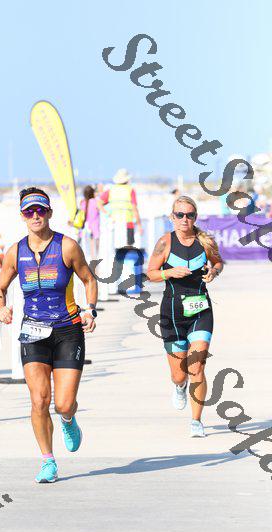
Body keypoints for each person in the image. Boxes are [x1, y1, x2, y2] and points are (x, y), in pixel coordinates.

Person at [0, 187, 98, 483]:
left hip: (68, 330)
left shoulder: (67, 247)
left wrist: (90, 310)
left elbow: (89, 279)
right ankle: (48, 461)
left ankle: (68, 418)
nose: (35, 215)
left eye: (40, 210)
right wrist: (0, 308)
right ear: (22, 216)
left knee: (63, 403)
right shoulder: (15, 252)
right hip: (33, 332)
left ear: (49, 213)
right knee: (39, 400)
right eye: (29, 211)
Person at [147, 195, 223, 437]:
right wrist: (168, 273)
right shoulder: (164, 243)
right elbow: (150, 273)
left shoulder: (206, 241)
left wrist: (213, 272)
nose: (184, 219)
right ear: (172, 217)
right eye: (179, 214)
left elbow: (218, 262)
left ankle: (196, 421)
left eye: (189, 215)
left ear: (195, 217)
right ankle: (180, 386)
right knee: (179, 374)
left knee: (197, 366)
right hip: (172, 313)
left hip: (201, 310)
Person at [98, 168, 143, 245]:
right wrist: (139, 225)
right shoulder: (130, 190)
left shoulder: (111, 190)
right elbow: (134, 209)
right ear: (127, 179)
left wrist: (108, 214)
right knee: (128, 248)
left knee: (115, 248)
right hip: (128, 223)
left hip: (114, 223)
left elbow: (99, 204)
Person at [79, 185, 100, 259]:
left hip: (85, 226)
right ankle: (94, 257)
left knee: (85, 244)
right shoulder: (95, 201)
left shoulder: (82, 202)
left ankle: (88, 257)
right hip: (94, 226)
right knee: (94, 243)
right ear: (92, 193)